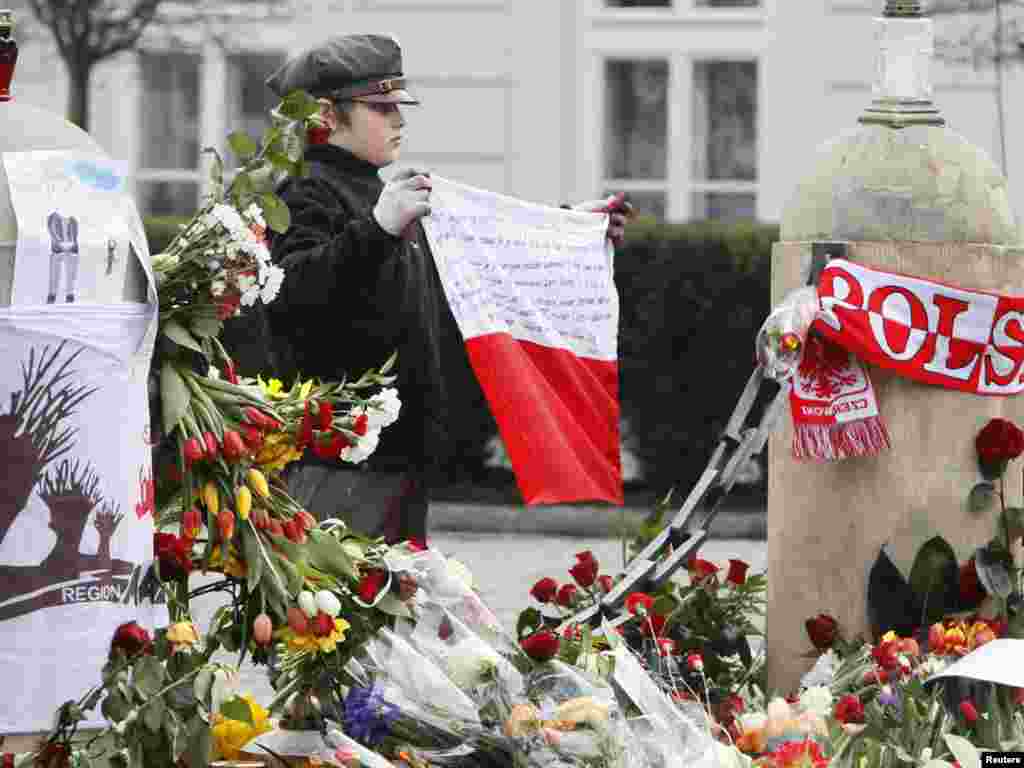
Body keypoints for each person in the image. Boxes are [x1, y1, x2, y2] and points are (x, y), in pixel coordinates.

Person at [264, 34, 631, 545]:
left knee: (382, 614)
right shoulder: (305, 189)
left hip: (394, 453)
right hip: (340, 459)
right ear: (326, 114)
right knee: (335, 615)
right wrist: (375, 229)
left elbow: (467, 264)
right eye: (380, 107)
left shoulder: (374, 188)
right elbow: (291, 295)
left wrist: (570, 229)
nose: (399, 120)